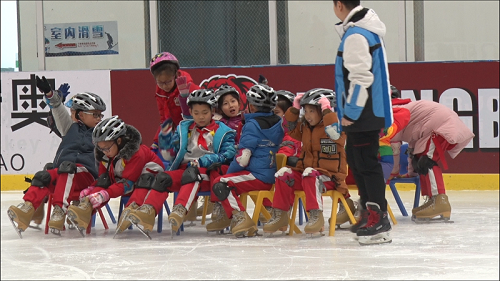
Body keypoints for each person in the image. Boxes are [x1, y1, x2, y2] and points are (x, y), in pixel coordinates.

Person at [7, 76, 106, 237]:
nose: (99, 118)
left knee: (67, 168)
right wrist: (49, 92)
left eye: (100, 115)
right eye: (95, 114)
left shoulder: (101, 133)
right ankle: (27, 210)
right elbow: (57, 108)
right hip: (64, 173)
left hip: (86, 176)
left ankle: (59, 211)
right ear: (80, 115)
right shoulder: (69, 127)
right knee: (43, 175)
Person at [333, 0, 394, 245]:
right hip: (367, 111)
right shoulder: (362, 31)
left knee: (366, 164)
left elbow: (360, 78)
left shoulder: (357, 35)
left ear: (339, 5)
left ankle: (378, 218)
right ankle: (369, 213)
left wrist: (352, 112)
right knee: (358, 162)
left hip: (363, 112)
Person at [263, 88, 349, 236]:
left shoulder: (337, 127)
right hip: (307, 174)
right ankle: (280, 215)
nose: (307, 116)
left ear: (322, 111)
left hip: (330, 177)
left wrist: (327, 109)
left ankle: (316, 216)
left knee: (310, 173)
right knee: (283, 174)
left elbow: (334, 133)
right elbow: (289, 128)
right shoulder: (305, 128)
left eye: (312, 111)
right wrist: (295, 108)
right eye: (306, 111)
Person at [151, 89, 237, 235]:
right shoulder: (184, 129)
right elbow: (171, 155)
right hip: (184, 169)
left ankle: (180, 210)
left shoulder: (224, 131)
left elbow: (228, 154)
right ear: (190, 112)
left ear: (212, 111)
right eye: (196, 113)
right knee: (162, 178)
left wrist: (205, 160)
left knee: (191, 174)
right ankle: (146, 212)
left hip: (206, 172)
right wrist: (165, 143)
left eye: (204, 112)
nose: (200, 117)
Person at [66, 116, 165, 237]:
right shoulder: (104, 154)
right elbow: (104, 179)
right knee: (104, 181)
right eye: (100, 148)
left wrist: (105, 195)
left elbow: (127, 184)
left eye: (107, 148)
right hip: (125, 180)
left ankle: (133, 210)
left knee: (145, 178)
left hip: (149, 180)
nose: (104, 152)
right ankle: (86, 209)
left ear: (118, 141)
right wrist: (92, 190)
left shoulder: (136, 153)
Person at [208, 84, 284, 238]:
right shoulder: (279, 123)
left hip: (258, 175)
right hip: (271, 173)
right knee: (224, 180)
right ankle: (229, 216)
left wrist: (229, 174)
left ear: (252, 106)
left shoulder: (252, 125)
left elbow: (243, 159)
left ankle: (241, 218)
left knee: (220, 183)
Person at [389, 95, 474, 223]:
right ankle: (433, 200)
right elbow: (413, 147)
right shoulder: (403, 110)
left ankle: (440, 200)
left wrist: (393, 173)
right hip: (436, 124)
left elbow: (394, 148)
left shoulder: (392, 116)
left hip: (437, 126)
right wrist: (411, 172)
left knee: (426, 160)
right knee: (421, 159)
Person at [149, 52, 200, 155]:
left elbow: (202, 111)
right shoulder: (160, 91)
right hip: (177, 132)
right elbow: (164, 117)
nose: (164, 86)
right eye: (160, 82)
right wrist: (157, 141)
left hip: (194, 130)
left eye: (168, 82)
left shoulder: (189, 87)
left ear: (176, 75)